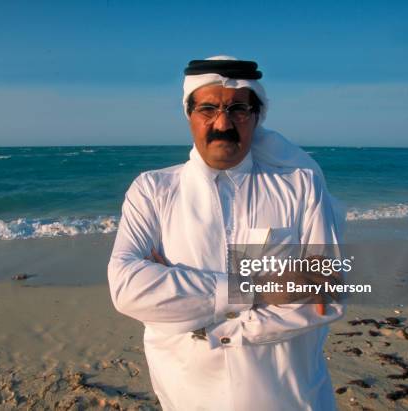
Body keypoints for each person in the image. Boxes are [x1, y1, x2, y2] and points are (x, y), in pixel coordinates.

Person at [108, 56, 345, 411]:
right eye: (208, 109)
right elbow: (127, 288)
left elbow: (328, 292)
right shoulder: (153, 190)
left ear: (256, 116)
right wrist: (258, 287)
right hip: (188, 393)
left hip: (289, 396)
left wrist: (207, 322)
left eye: (238, 110)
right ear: (189, 114)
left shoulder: (300, 187)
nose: (223, 123)